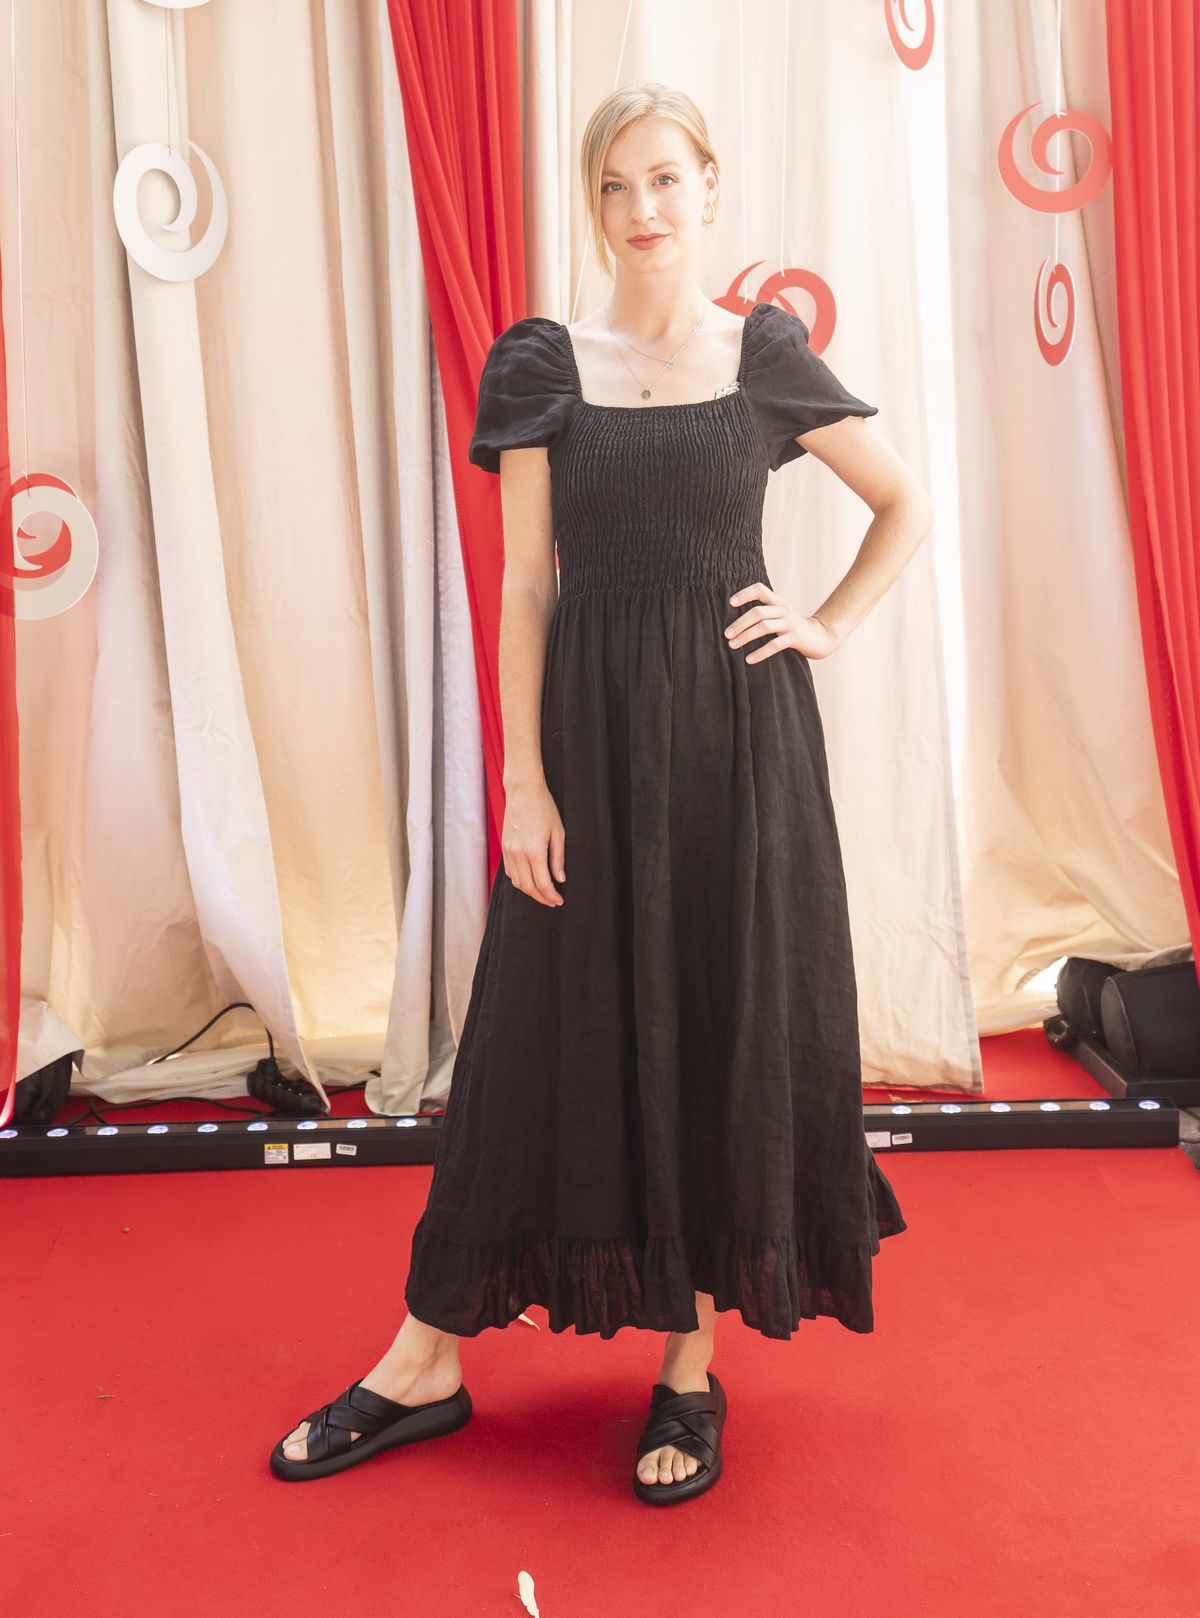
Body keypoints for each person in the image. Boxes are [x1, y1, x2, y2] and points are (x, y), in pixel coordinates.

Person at [271, 81, 930, 1504]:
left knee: (720, 1022)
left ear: (711, 187)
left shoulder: (764, 354)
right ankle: (424, 1359)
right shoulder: (542, 363)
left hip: (740, 753)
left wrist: (827, 622)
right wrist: (525, 782)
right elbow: (525, 591)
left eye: (667, 178)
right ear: (595, 203)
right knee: (527, 1037)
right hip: (584, 751)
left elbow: (902, 503)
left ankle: (690, 1367)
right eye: (618, 185)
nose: (644, 208)